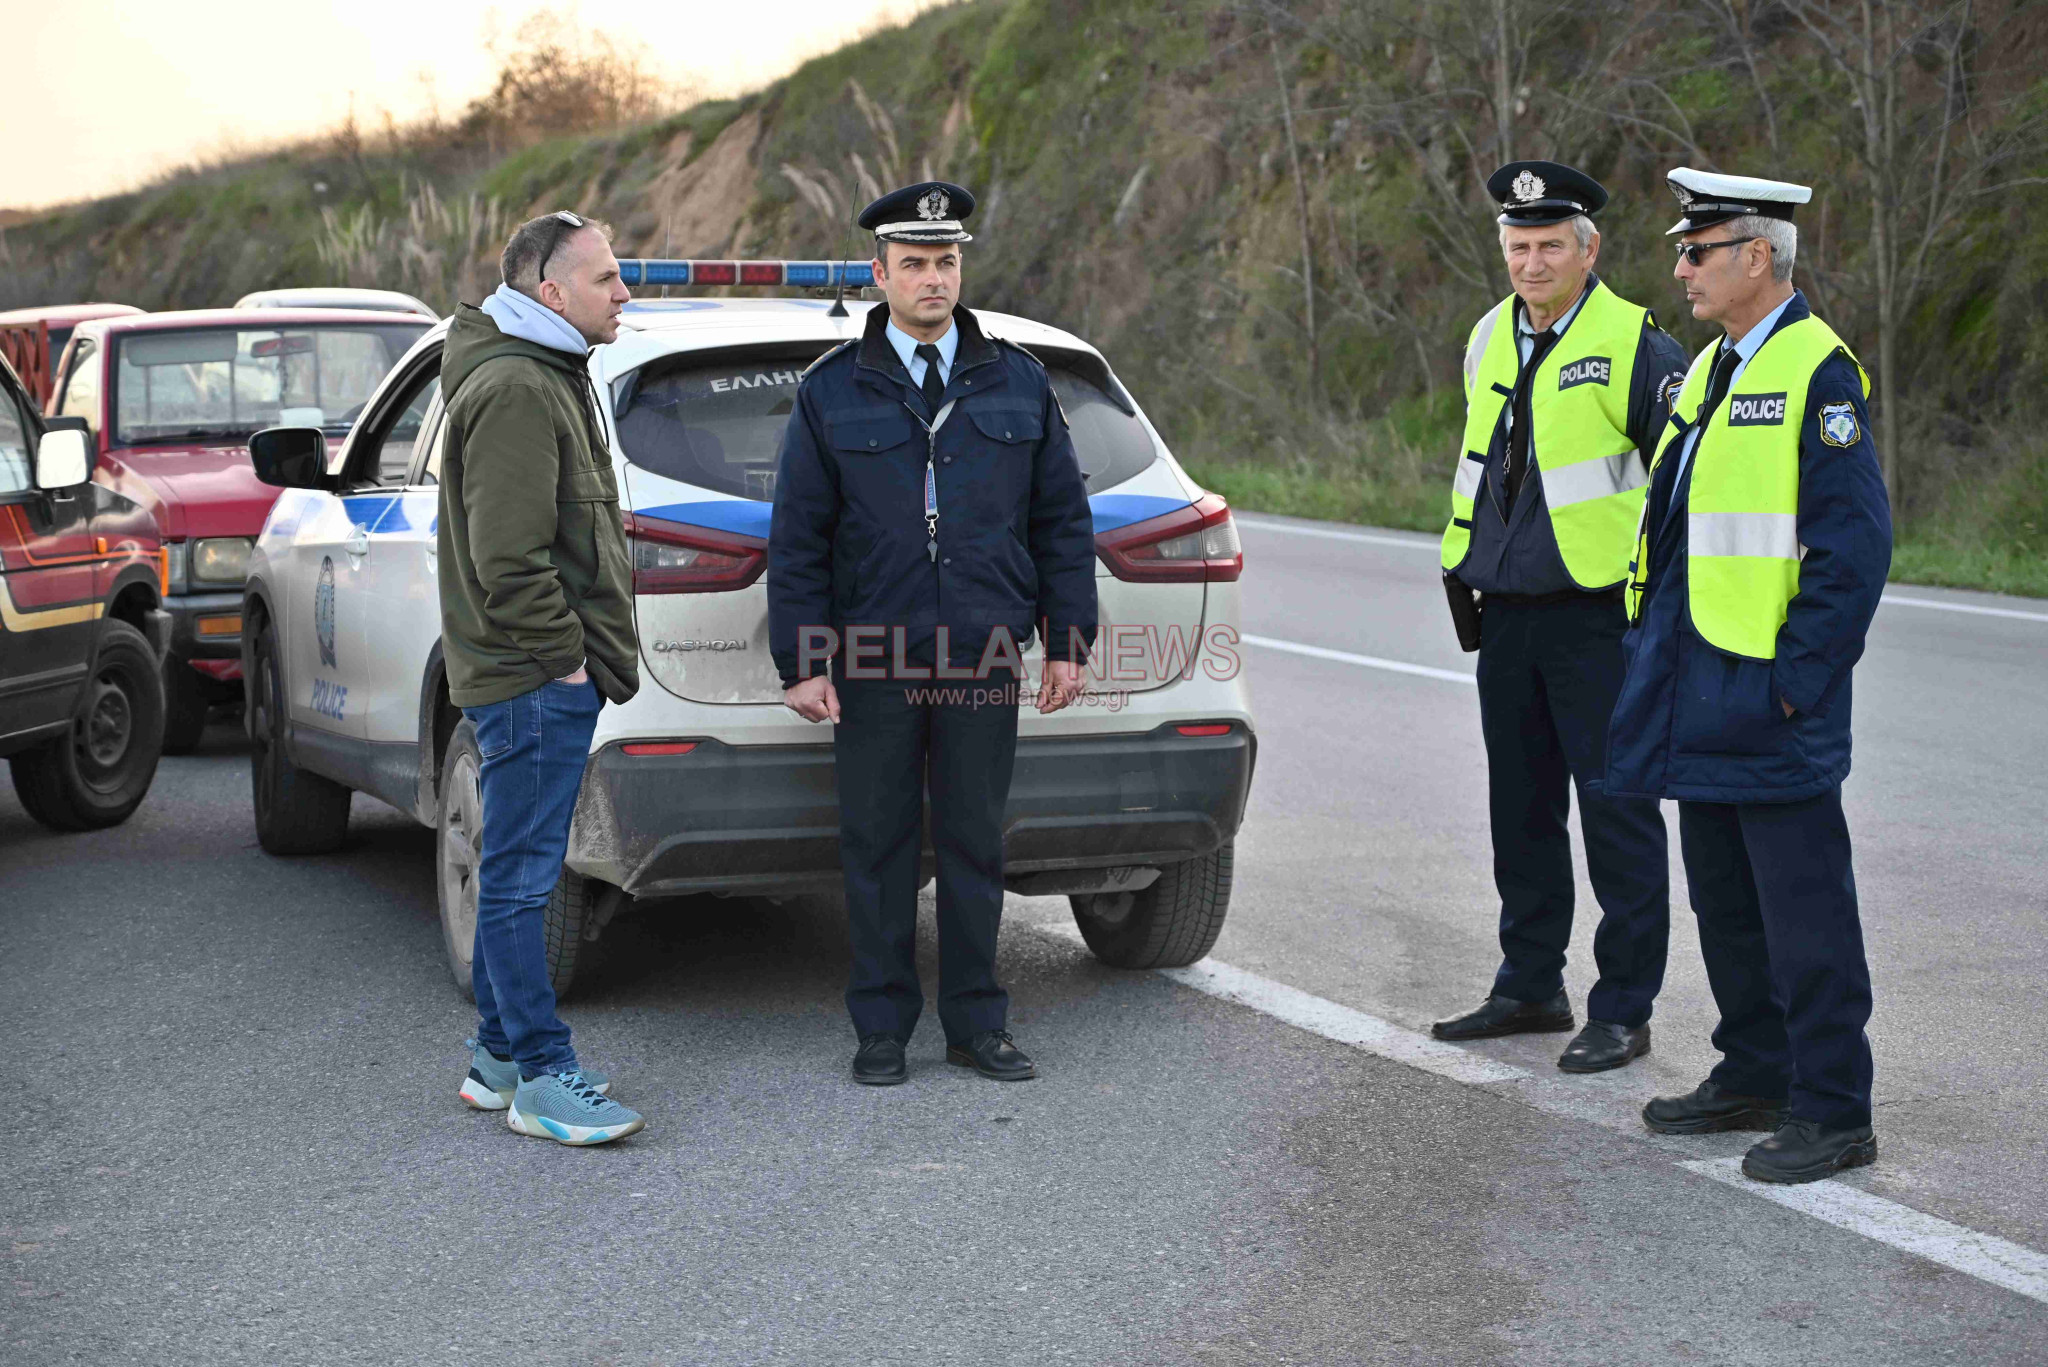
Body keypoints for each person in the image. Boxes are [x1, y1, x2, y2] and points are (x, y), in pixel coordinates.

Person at [768, 181, 1098, 1086]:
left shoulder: (1018, 380)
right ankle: (881, 1027)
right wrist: (803, 660)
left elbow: (1061, 521)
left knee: (974, 841)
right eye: (913, 263)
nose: (933, 279)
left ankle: (977, 1022)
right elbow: (798, 537)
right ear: (879, 275)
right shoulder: (832, 390)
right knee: (876, 845)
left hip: (983, 651)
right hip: (873, 656)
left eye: (946, 261)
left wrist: (1068, 641)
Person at [1609, 169, 1891, 1183]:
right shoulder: (1706, 371)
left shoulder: (1818, 371)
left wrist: (1795, 681)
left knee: (1805, 911)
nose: (1681, 269)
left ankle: (1833, 1108)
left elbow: (1853, 548)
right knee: (1726, 904)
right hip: (1696, 685)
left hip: (1768, 694)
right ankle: (1755, 1070)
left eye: (1697, 251)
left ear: (1757, 256)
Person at [1431, 161, 1688, 1073]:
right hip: (1505, 614)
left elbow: (1679, 488)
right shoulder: (1487, 335)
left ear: (1589, 249)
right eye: (1518, 246)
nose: (1531, 263)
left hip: (1600, 620)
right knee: (1521, 812)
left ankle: (1623, 1008)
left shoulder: (1636, 343)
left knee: (1617, 815)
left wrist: (1662, 617)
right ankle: (1531, 984)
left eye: (1548, 246)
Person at [437, 210, 646, 1145]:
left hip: (533, 678)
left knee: (516, 869)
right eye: (606, 278)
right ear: (551, 293)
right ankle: (543, 1077)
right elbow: (509, 561)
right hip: (531, 680)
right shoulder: (520, 386)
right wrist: (565, 663)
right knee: (522, 881)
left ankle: (495, 1060)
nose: (624, 292)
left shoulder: (545, 369)